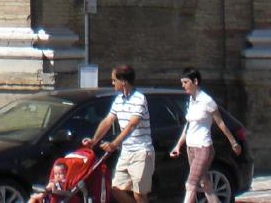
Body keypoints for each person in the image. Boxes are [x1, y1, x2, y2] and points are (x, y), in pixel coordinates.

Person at [83, 65, 155, 203]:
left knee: (139, 194)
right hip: (126, 152)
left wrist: (114, 144)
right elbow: (108, 121)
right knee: (115, 189)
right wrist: (94, 140)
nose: (112, 83)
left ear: (123, 81)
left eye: (114, 80)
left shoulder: (140, 99)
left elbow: (132, 124)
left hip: (141, 152)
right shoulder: (118, 100)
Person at [170, 68, 241, 203]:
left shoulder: (207, 101)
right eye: (182, 82)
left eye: (185, 82)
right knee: (205, 184)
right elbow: (188, 125)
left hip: (204, 147)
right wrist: (178, 145)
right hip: (191, 147)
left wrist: (233, 142)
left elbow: (221, 123)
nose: (183, 85)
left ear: (195, 81)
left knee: (190, 185)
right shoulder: (191, 100)